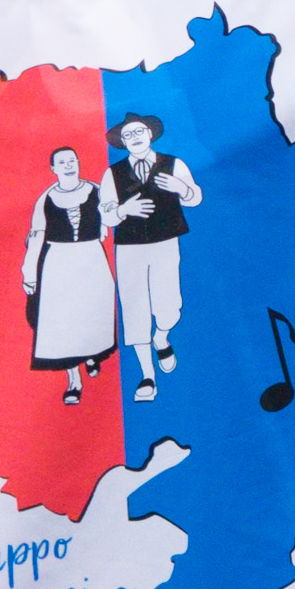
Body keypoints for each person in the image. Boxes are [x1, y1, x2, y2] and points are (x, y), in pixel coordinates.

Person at [105, 113, 197, 402]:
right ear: (122, 141)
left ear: (150, 134)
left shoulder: (173, 164)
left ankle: (162, 336)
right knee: (134, 308)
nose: (135, 138)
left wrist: (181, 188)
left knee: (169, 305)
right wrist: (123, 210)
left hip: (165, 242)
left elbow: (196, 198)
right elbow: (106, 215)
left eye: (139, 132)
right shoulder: (113, 173)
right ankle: (147, 375)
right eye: (128, 135)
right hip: (130, 246)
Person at [22, 144, 120, 407]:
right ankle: (73, 380)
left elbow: (108, 224)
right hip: (59, 263)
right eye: (62, 162)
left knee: (93, 313)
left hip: (91, 259)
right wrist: (29, 272)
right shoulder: (46, 199)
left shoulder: (96, 191)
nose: (68, 165)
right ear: (53, 168)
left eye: (72, 160)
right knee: (64, 322)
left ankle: (93, 354)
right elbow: (37, 235)